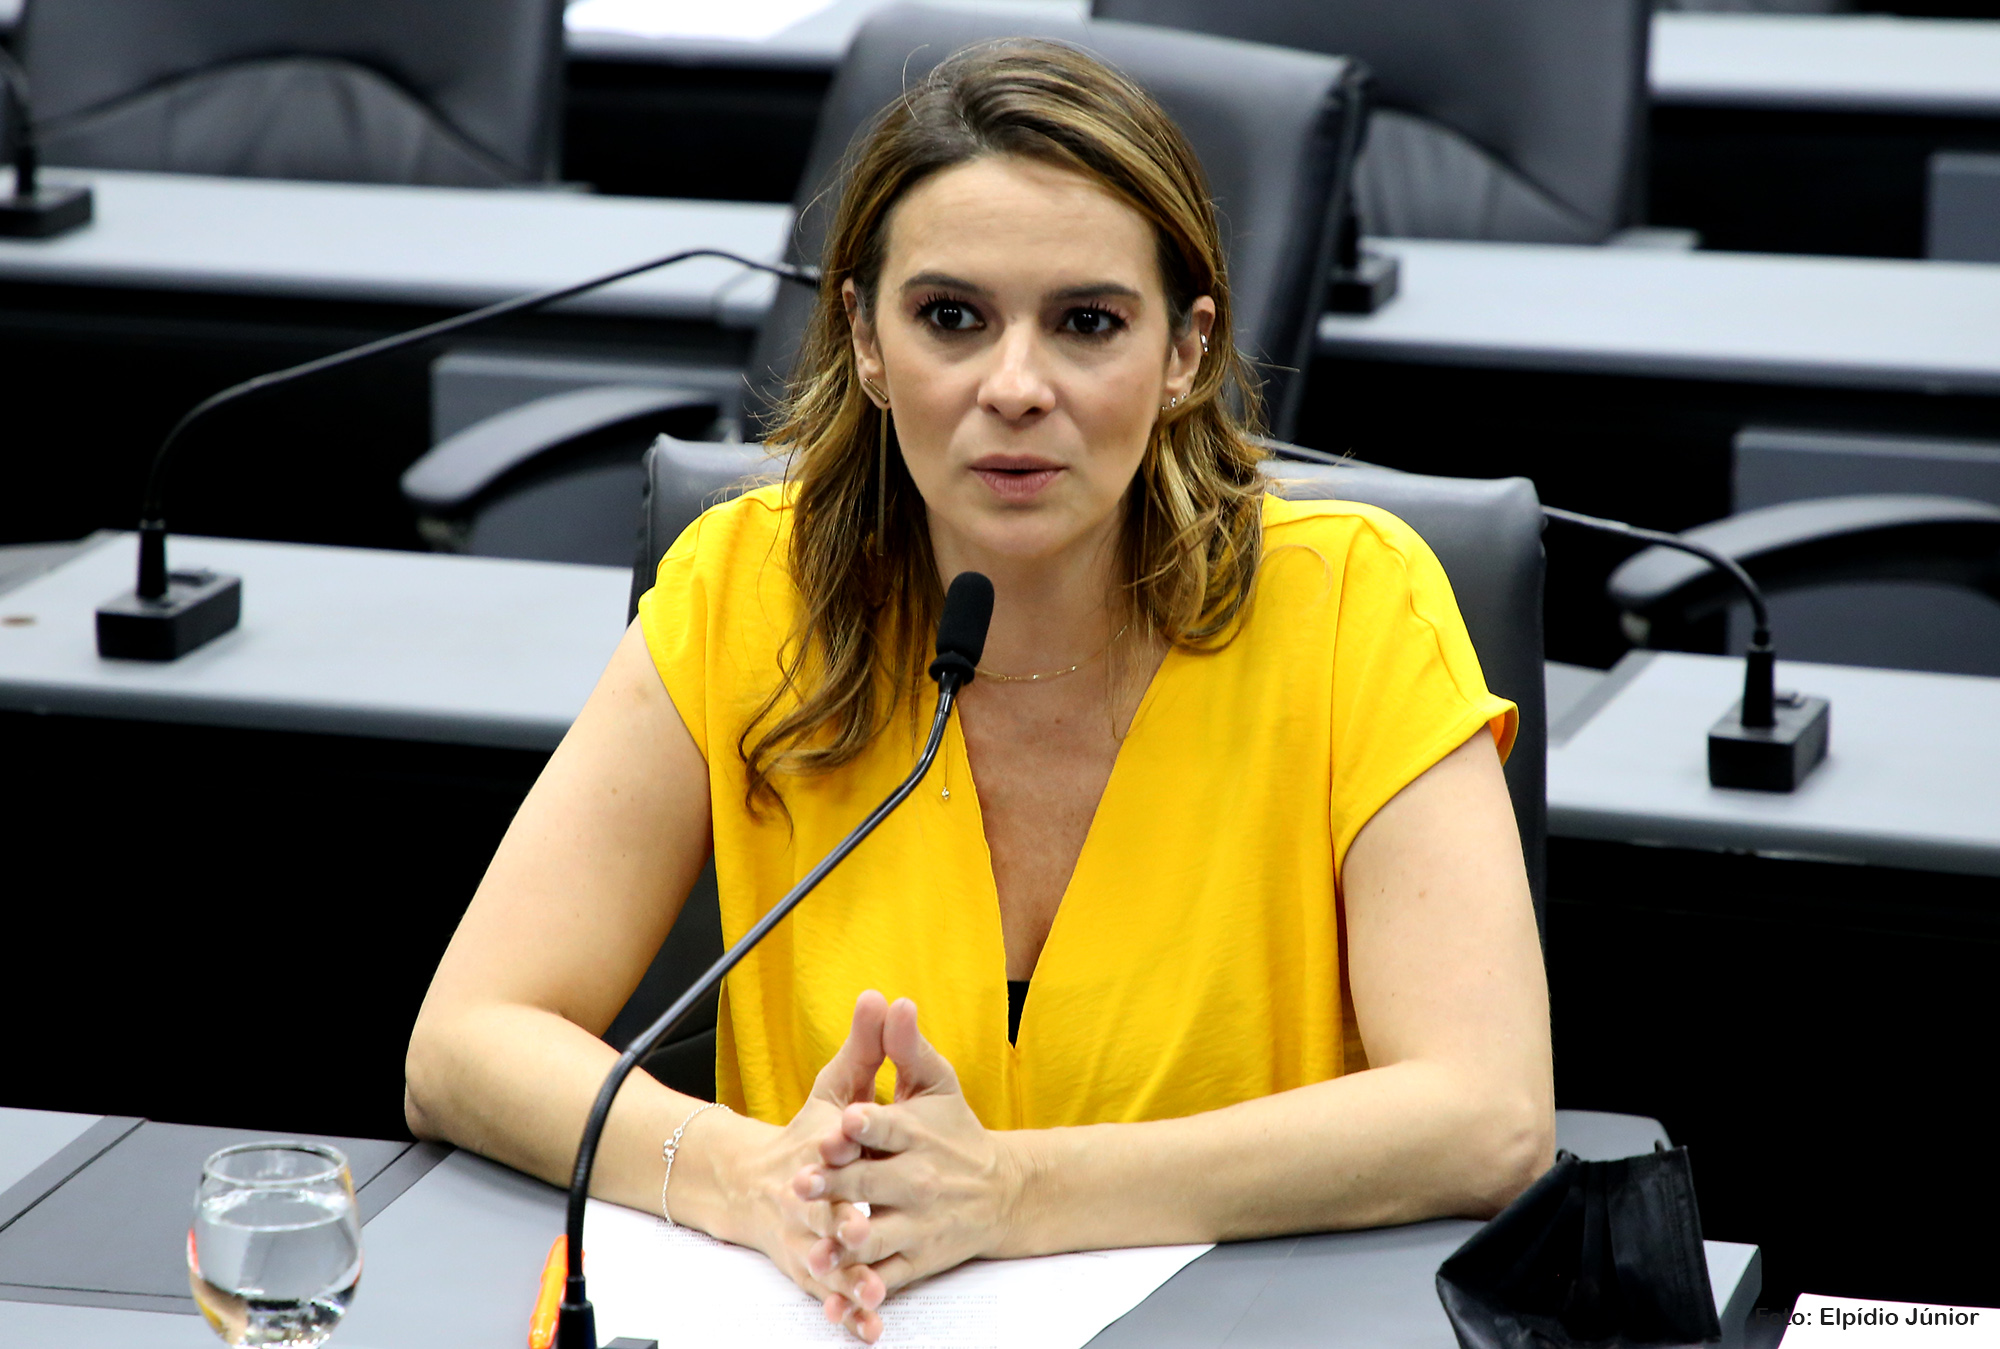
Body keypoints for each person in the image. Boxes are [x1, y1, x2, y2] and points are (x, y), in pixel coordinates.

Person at [405, 37, 1553, 1345]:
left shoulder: (1352, 603)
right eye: (951, 317)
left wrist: (1011, 1192)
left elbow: (1488, 1114)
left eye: (1087, 322)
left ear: (1186, 351)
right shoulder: (747, 588)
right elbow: (464, 1041)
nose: (1016, 387)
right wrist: (747, 1175)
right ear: (865, 337)